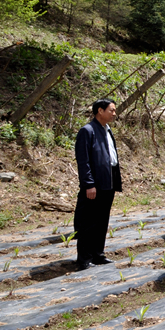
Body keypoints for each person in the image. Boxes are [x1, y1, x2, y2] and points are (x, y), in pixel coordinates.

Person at [74, 99, 122, 271]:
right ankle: (84, 258)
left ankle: (98, 254)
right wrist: (88, 184)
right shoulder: (88, 131)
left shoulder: (107, 130)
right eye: (112, 110)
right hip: (94, 184)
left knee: (102, 220)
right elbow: (83, 161)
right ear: (100, 111)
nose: (114, 113)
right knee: (89, 222)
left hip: (108, 183)